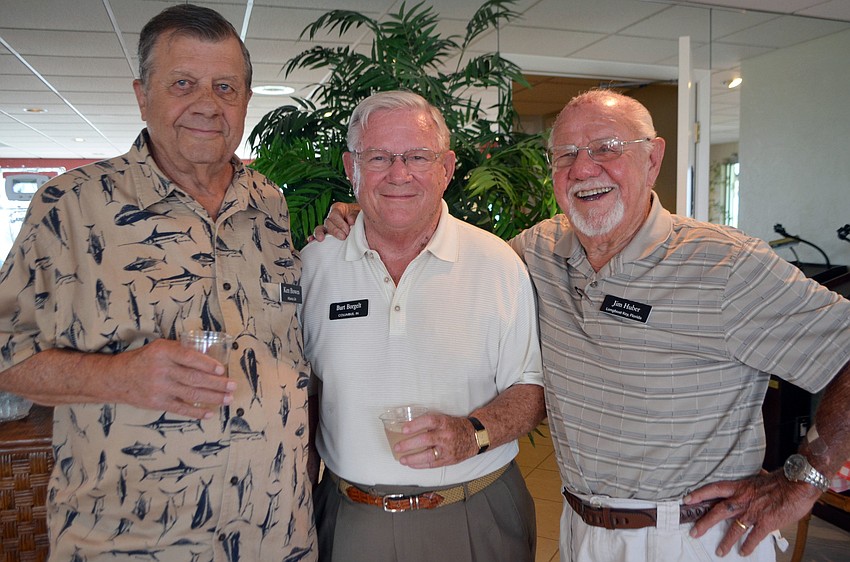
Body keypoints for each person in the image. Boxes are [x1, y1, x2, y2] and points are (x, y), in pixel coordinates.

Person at [317, 89, 850, 561]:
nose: (584, 168)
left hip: (693, 537)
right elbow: (423, 235)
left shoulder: (725, 265)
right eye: (566, 155)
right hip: (580, 531)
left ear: (654, 158)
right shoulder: (538, 254)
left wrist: (804, 479)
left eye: (606, 149)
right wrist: (369, 212)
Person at [0, 5, 316, 561]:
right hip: (133, 543)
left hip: (277, 535)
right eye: (183, 84)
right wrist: (115, 376)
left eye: (225, 87)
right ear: (143, 95)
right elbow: (6, 354)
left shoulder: (269, 204)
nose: (207, 104)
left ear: (245, 100)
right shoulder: (71, 207)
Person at [299, 90, 545, 562]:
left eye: (417, 156)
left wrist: (471, 432)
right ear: (352, 168)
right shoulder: (314, 267)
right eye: (378, 157)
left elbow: (531, 389)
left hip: (474, 512)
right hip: (351, 518)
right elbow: (302, 390)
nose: (398, 174)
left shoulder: (497, 263)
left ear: (447, 168)